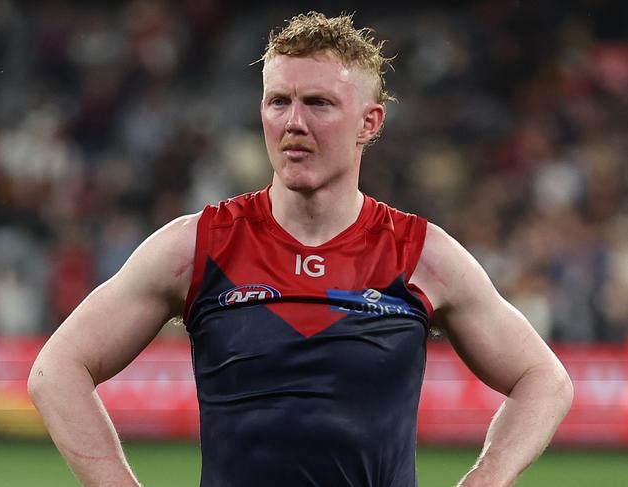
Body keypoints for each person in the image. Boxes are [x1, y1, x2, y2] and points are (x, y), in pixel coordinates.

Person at [28, 11, 573, 487]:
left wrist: (486, 478)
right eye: (278, 102)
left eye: (318, 103)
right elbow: (56, 370)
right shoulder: (200, 244)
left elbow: (544, 381)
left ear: (369, 122)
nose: (294, 123)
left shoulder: (421, 253)